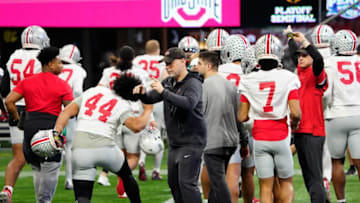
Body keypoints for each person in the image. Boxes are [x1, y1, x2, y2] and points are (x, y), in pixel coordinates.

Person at [53, 72, 153, 203]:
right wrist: (148, 110)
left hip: (81, 150)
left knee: (83, 196)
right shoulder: (123, 103)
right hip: (106, 148)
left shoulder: (93, 91)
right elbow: (136, 126)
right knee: (126, 175)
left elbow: (66, 111)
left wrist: (57, 132)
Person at [133, 47, 206, 203]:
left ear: (182, 62)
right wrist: (141, 94)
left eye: (170, 63)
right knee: (174, 184)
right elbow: (150, 98)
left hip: (191, 142)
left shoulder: (193, 82)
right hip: (175, 143)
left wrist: (163, 92)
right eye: (165, 64)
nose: (167, 67)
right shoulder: (169, 82)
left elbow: (189, 103)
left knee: (187, 184)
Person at [5, 46, 73, 203]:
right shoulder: (62, 84)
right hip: (51, 129)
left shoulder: (27, 82)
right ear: (50, 64)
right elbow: (70, 109)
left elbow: (9, 101)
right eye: (59, 62)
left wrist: (16, 119)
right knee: (51, 169)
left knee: (37, 170)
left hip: (30, 129)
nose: (62, 65)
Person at [238, 34, 302, 203]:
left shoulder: (247, 80)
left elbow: (242, 116)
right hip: (281, 134)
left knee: (265, 185)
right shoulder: (288, 78)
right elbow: (295, 112)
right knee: (286, 182)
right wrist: (293, 125)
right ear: (279, 53)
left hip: (260, 135)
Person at [0, 25, 50, 203]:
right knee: (41, 157)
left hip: (15, 109)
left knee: (19, 157)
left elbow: (4, 88)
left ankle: (8, 189)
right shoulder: (43, 58)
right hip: (35, 109)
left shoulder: (14, 56)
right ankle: (42, 198)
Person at [98, 45, 154, 198]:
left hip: (113, 116)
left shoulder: (108, 72)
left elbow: (99, 91)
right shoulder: (139, 73)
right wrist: (151, 117)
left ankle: (119, 182)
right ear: (133, 57)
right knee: (133, 156)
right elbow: (146, 97)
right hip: (132, 115)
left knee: (120, 154)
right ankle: (123, 180)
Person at [195, 50, 247, 203]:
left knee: (218, 182)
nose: (197, 67)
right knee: (216, 182)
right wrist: (243, 142)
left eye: (200, 64)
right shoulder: (230, 86)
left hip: (213, 141)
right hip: (231, 142)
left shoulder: (203, 87)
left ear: (209, 66)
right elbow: (239, 117)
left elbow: (199, 116)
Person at [287, 30, 328, 203]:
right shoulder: (299, 72)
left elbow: (318, 59)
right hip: (301, 131)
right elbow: (290, 56)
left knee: (314, 179)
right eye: (300, 56)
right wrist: (290, 37)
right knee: (310, 178)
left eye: (304, 55)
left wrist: (304, 41)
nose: (301, 58)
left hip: (312, 132)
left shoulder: (317, 73)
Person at [323, 30, 360, 203]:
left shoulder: (329, 62)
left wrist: (325, 109)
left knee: (336, 161)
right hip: (358, 113)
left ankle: (341, 201)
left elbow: (326, 94)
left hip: (336, 114)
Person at [132, 39, 167, 181]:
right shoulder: (163, 60)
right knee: (158, 134)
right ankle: (156, 170)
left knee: (144, 133)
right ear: (158, 50)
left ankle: (141, 161)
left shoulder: (138, 60)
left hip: (141, 98)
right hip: (157, 98)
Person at [58, 44, 87, 190]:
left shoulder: (54, 66)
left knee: (51, 144)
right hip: (68, 110)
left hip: (52, 109)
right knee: (69, 146)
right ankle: (69, 179)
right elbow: (77, 91)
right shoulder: (78, 70)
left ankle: (51, 179)